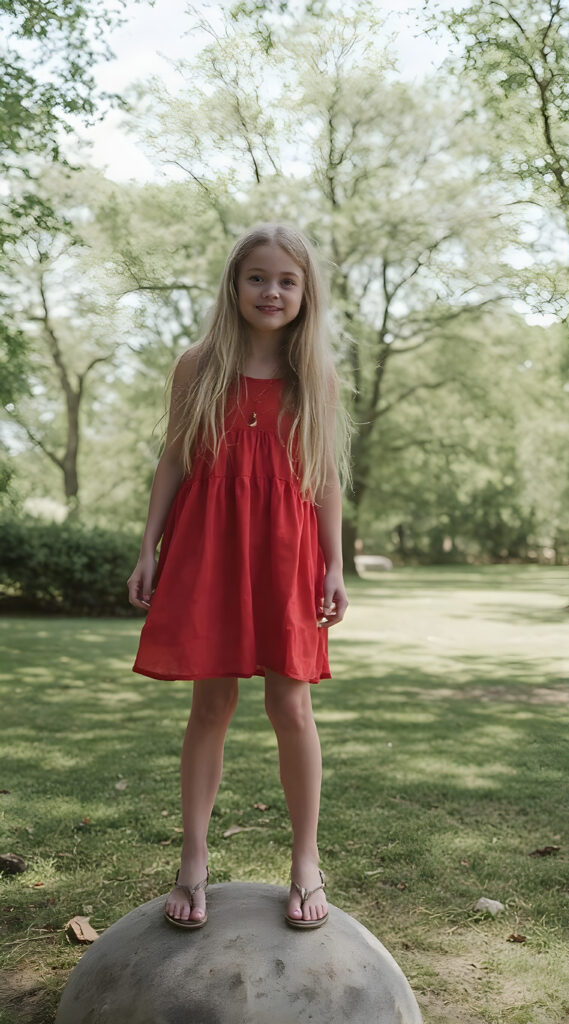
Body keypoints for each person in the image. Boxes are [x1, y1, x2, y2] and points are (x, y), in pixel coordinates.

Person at [127, 223, 350, 931]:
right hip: (209, 544)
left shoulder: (314, 374)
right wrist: (149, 547)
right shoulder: (198, 364)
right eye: (258, 277)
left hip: (286, 552)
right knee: (210, 707)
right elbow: (173, 459)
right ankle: (193, 861)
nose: (272, 291)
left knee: (292, 707)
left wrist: (336, 563)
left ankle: (306, 860)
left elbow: (324, 477)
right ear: (235, 285)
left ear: (305, 292)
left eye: (287, 280)